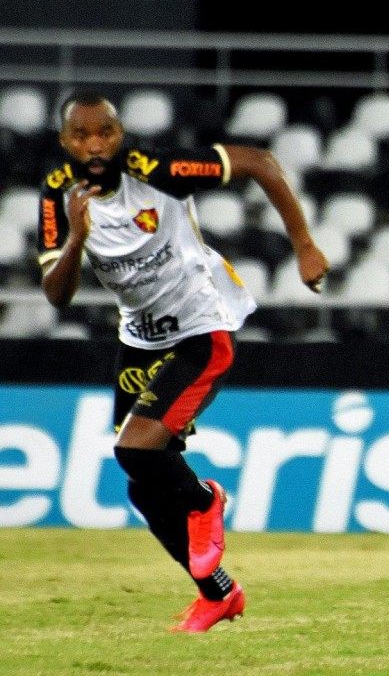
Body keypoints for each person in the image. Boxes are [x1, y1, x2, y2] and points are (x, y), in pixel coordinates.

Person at [37, 91, 329, 633]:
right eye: (82, 135)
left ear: (120, 134)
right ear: (65, 142)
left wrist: (304, 246)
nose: (95, 144)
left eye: (105, 132)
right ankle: (218, 593)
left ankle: (205, 499)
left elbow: (259, 162)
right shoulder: (59, 195)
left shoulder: (157, 171)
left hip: (201, 326)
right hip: (140, 340)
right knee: (140, 479)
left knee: (135, 449)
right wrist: (77, 237)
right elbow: (57, 295)